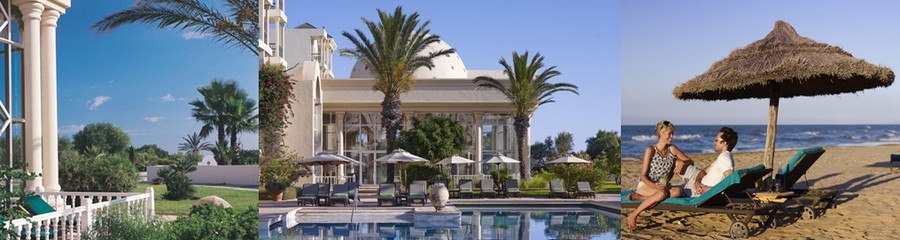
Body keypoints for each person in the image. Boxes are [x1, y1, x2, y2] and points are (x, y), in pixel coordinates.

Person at [625, 120, 692, 230]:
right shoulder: (650, 150)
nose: (672, 136)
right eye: (669, 133)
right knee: (661, 194)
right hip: (647, 185)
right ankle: (634, 215)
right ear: (661, 133)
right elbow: (642, 176)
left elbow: (690, 161)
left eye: (673, 133)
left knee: (677, 192)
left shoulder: (672, 149)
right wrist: (653, 186)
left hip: (663, 186)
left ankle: (642, 199)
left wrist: (683, 163)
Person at [675, 127, 738, 197]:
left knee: (670, 190)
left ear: (724, 143)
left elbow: (732, 182)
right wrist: (697, 182)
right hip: (697, 179)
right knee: (675, 162)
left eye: (716, 140)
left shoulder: (725, 159)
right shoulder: (723, 157)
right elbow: (703, 171)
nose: (714, 142)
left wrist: (708, 190)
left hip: (696, 190)